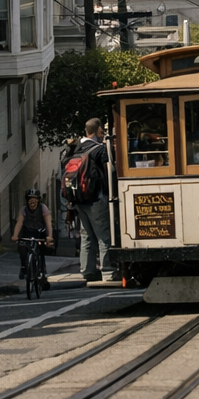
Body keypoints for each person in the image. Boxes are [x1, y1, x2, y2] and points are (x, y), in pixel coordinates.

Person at [67, 118, 111, 282]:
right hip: (96, 199)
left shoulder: (75, 148)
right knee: (103, 236)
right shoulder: (99, 149)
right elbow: (109, 171)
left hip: (78, 200)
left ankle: (87, 271)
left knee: (86, 236)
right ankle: (108, 271)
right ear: (99, 130)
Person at [11, 188, 54, 289]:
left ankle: (42, 272)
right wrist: (15, 235)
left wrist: (49, 236)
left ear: (38, 200)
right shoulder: (24, 209)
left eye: (35, 198)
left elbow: (48, 224)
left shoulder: (43, 208)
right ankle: (24, 268)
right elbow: (19, 223)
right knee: (22, 246)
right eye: (30, 199)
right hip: (28, 231)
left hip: (40, 232)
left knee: (42, 249)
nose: (32, 201)